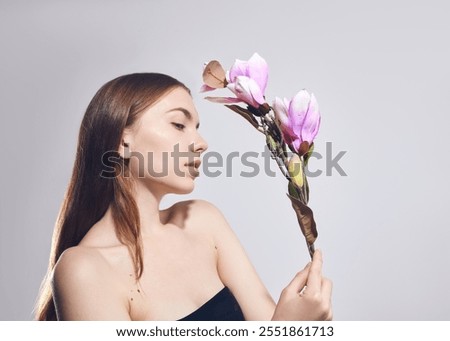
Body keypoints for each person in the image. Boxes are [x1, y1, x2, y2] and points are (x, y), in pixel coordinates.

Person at [35, 73, 332, 321]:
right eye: (178, 124)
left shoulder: (203, 222)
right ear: (121, 141)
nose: (201, 143)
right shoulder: (84, 270)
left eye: (197, 128)